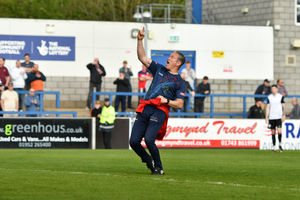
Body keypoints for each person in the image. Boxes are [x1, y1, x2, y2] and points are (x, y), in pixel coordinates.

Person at [130, 27, 185, 175]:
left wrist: (166, 100)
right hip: (145, 107)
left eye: (172, 57)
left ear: (178, 63)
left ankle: (159, 167)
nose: (169, 58)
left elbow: (180, 104)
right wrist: (140, 40)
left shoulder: (179, 82)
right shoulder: (159, 69)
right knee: (134, 142)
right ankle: (148, 161)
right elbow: (142, 57)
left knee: (149, 139)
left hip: (159, 110)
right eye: (170, 56)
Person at [265, 85, 285, 153]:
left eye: (274, 88)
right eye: (272, 89)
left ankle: (280, 144)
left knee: (279, 131)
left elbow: (283, 106)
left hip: (278, 117)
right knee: (273, 132)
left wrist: (283, 115)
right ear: (271, 90)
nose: (273, 90)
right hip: (271, 117)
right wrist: (266, 117)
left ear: (277, 89)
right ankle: (274, 147)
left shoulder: (280, 96)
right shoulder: (269, 97)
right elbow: (267, 107)